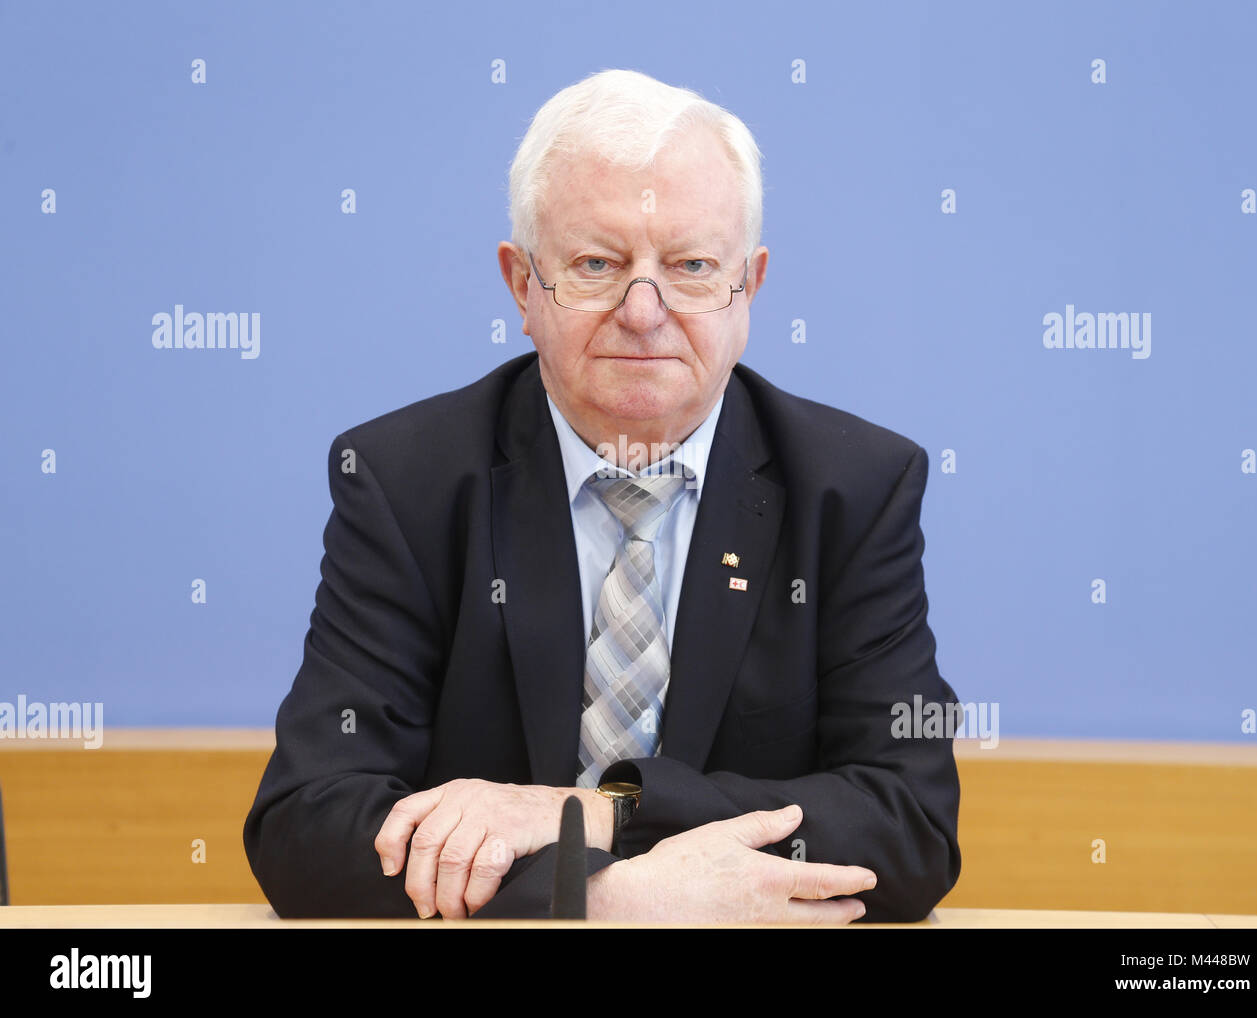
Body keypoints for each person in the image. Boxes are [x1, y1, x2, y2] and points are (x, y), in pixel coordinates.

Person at [243, 68, 961, 923]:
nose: (644, 310)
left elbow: (909, 824)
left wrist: (594, 815)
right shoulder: (407, 483)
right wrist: (607, 898)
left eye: (692, 266)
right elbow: (308, 828)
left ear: (750, 287)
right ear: (522, 285)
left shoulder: (854, 489)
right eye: (596, 264)